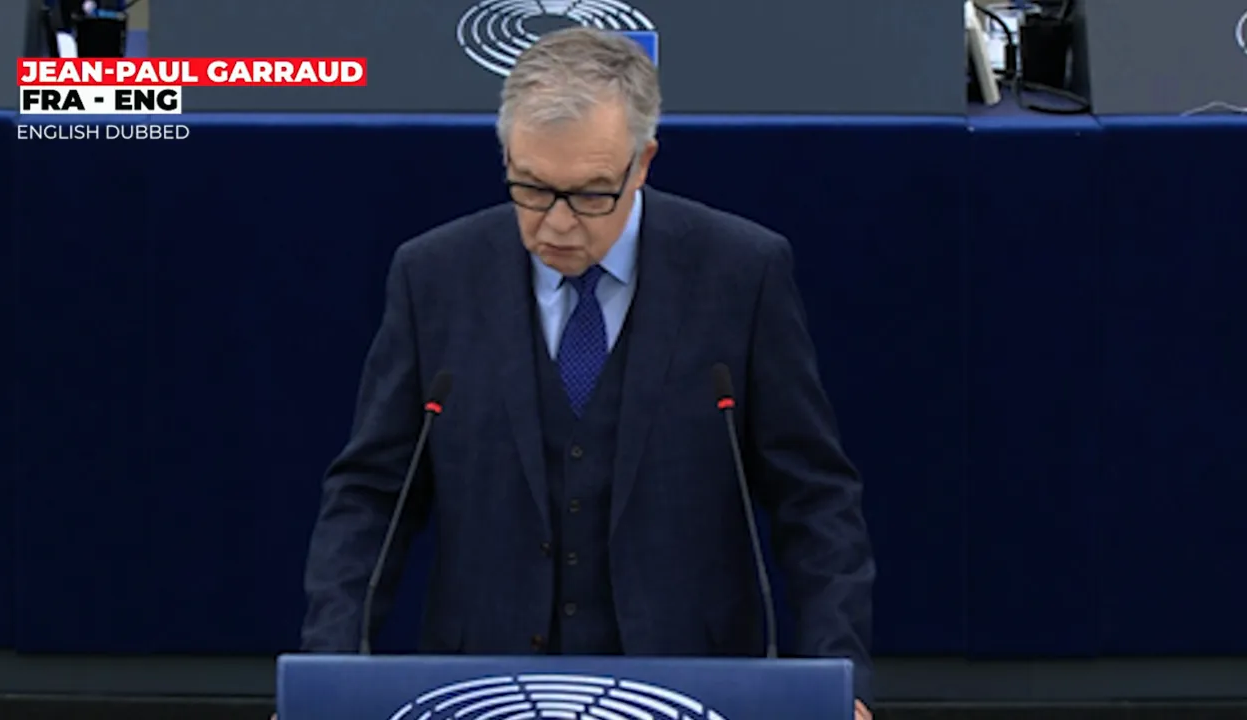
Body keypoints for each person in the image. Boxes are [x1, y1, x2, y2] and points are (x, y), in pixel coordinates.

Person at [299, 26, 875, 720]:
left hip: (694, 685)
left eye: (592, 194)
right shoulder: (435, 276)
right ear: (506, 155)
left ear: (643, 164)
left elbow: (814, 498)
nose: (558, 225)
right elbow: (370, 496)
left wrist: (838, 682)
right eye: (532, 188)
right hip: (482, 686)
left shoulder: (740, 273)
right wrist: (325, 679)